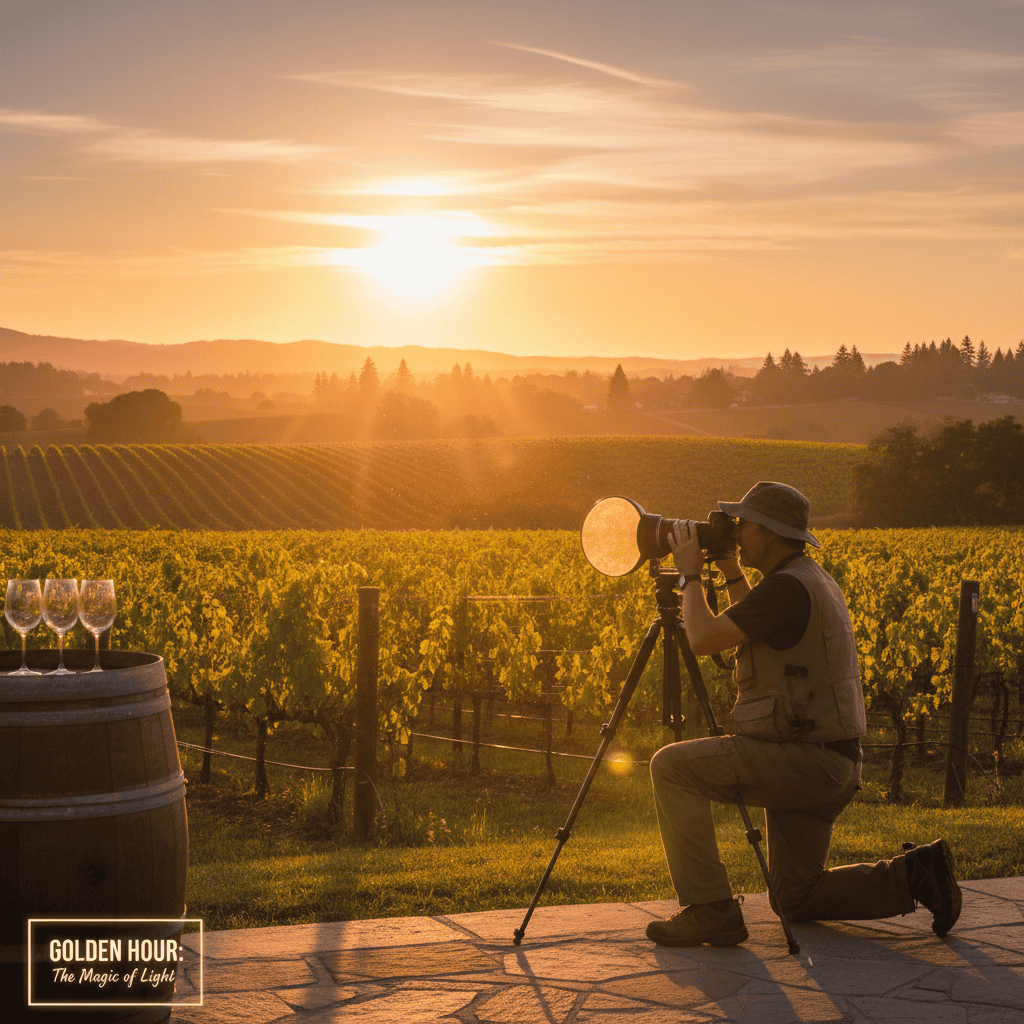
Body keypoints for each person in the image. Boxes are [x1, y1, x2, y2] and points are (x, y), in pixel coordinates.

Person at [645, 481, 961, 947]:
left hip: (806, 761)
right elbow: (755, 620)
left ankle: (710, 909)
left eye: (744, 524)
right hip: (828, 761)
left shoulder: (787, 589)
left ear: (768, 533)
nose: (736, 530)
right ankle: (915, 875)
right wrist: (731, 567)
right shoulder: (803, 578)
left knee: (670, 767)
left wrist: (690, 575)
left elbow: (703, 637)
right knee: (794, 897)